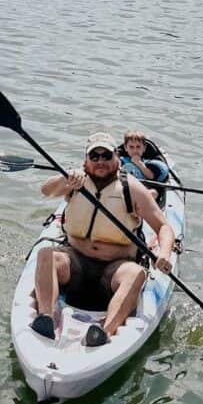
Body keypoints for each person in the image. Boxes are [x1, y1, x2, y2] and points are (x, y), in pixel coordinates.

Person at [33, 131, 175, 347]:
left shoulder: (132, 188)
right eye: (95, 157)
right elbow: (46, 190)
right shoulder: (74, 181)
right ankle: (46, 317)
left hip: (114, 270)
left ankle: (104, 332)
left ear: (116, 159)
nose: (101, 161)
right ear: (86, 161)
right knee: (46, 254)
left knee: (136, 273)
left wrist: (164, 254)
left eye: (106, 156)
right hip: (75, 264)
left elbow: (163, 227)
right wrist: (66, 178)